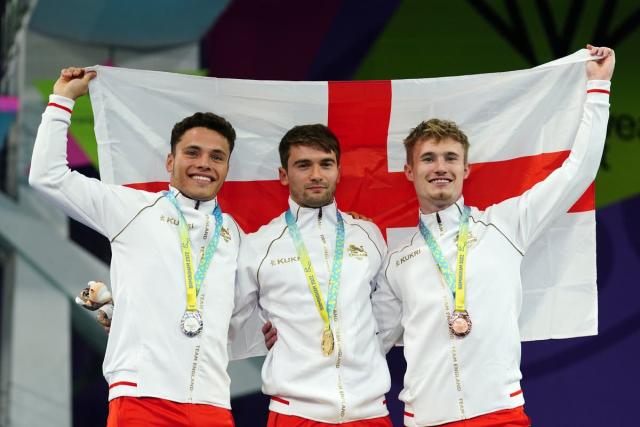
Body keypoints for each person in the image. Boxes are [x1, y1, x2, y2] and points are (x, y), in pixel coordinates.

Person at [371, 45, 615, 426]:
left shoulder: (505, 225)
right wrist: (299, 330)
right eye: (429, 158)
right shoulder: (397, 260)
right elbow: (368, 344)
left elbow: (578, 171)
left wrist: (598, 88)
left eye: (451, 158)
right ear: (409, 171)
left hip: (500, 414)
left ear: (467, 168)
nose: (440, 168)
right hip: (425, 420)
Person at [29, 67, 241, 427]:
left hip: (213, 404)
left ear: (226, 167)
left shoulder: (233, 233)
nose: (204, 163)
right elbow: (47, 176)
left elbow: (238, 311)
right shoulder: (133, 208)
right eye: (193, 152)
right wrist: (62, 99)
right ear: (170, 162)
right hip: (143, 399)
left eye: (217, 157)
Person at [231, 124, 393, 426]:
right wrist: (260, 333)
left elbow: (389, 309)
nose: (316, 175)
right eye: (303, 165)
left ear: (338, 171)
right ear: (284, 175)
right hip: (296, 412)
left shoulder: (367, 234)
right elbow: (231, 319)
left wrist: (363, 348)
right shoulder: (260, 245)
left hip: (370, 411)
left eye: (325, 164)